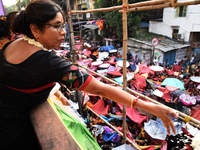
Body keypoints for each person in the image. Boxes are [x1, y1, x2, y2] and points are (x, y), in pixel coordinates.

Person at [0, 1, 178, 149]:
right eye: (56, 26)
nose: (63, 32)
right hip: (13, 134)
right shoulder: (49, 62)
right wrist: (151, 107)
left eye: (63, 25)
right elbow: (102, 90)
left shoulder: (12, 44)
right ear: (35, 29)